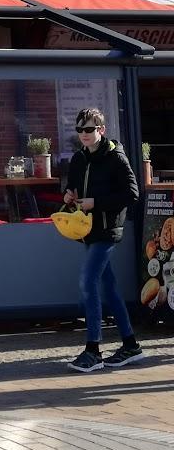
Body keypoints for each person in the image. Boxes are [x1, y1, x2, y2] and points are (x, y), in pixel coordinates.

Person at [63, 107, 142, 372]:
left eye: (89, 129)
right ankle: (131, 344)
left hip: (107, 231)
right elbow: (72, 185)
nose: (84, 134)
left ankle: (93, 350)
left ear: (101, 130)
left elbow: (132, 193)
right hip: (86, 230)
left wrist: (97, 203)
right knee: (107, 287)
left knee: (88, 282)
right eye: (80, 130)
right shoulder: (79, 159)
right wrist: (69, 195)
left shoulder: (116, 158)